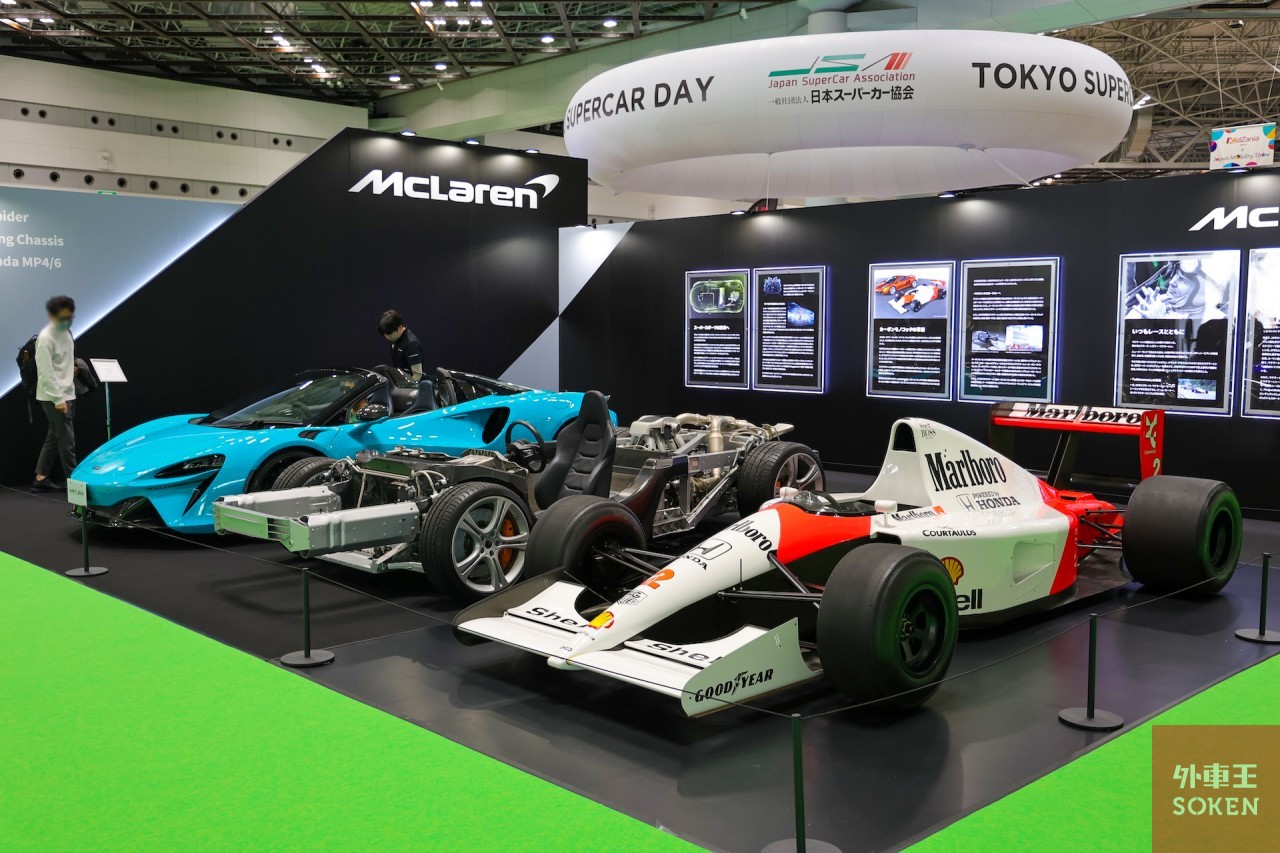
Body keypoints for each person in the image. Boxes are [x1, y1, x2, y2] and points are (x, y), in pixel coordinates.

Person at [32, 295, 77, 491]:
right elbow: (44, 373)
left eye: (69, 316)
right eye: (62, 317)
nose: (67, 321)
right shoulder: (45, 338)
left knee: (55, 436)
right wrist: (58, 398)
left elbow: (61, 362)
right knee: (67, 441)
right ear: (52, 315)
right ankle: (75, 484)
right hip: (54, 397)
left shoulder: (66, 332)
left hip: (67, 393)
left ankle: (41, 478)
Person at [376, 309, 426, 380]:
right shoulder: (395, 338)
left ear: (399, 327)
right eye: (385, 334)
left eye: (389, 334)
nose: (387, 337)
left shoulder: (411, 345)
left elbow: (417, 375)